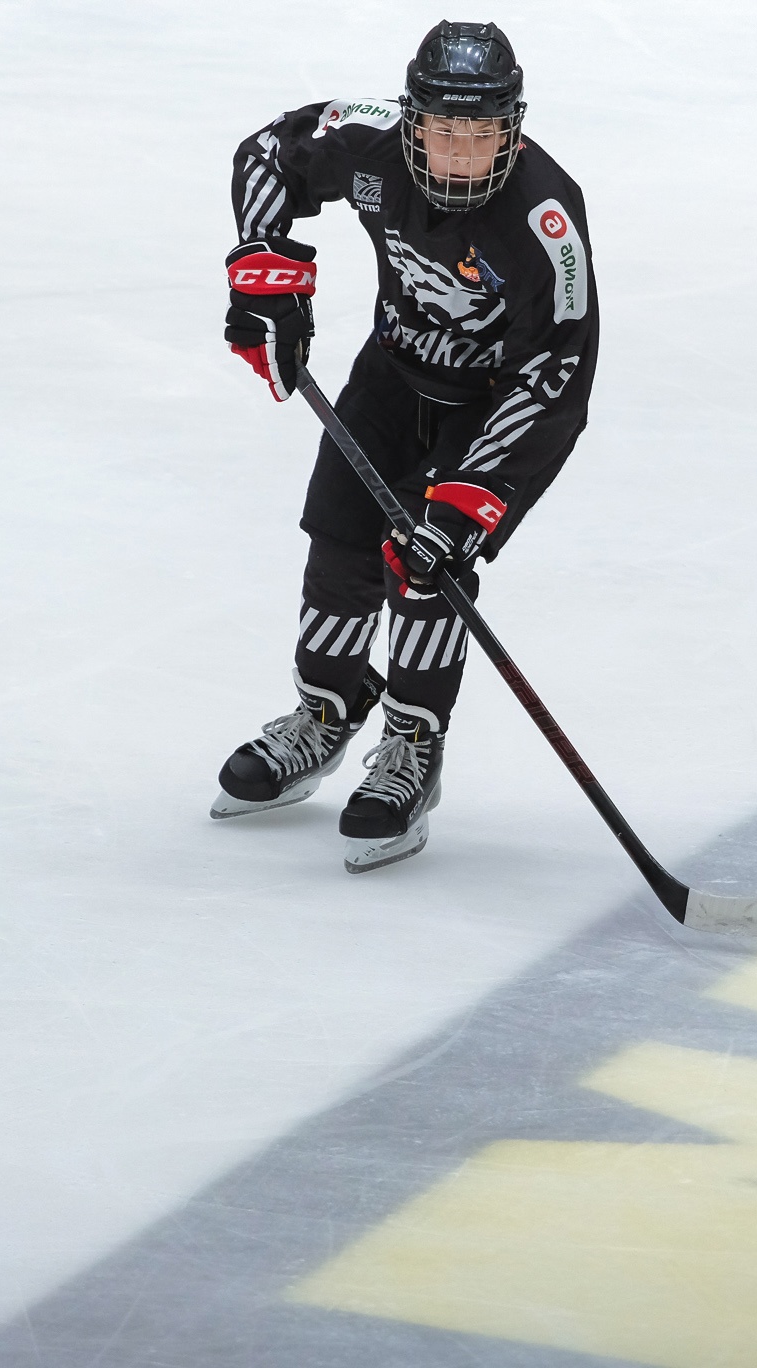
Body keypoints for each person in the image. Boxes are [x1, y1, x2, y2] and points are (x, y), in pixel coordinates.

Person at [209, 20, 597, 873]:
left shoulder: (545, 218)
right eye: (445, 131)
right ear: (413, 120)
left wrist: (468, 500)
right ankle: (326, 712)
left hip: (491, 408)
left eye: (481, 134)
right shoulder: (371, 140)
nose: (461, 154)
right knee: (340, 539)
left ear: (512, 131)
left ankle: (413, 746)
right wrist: (267, 274)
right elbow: (269, 154)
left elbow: (556, 375)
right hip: (391, 377)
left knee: (425, 565)